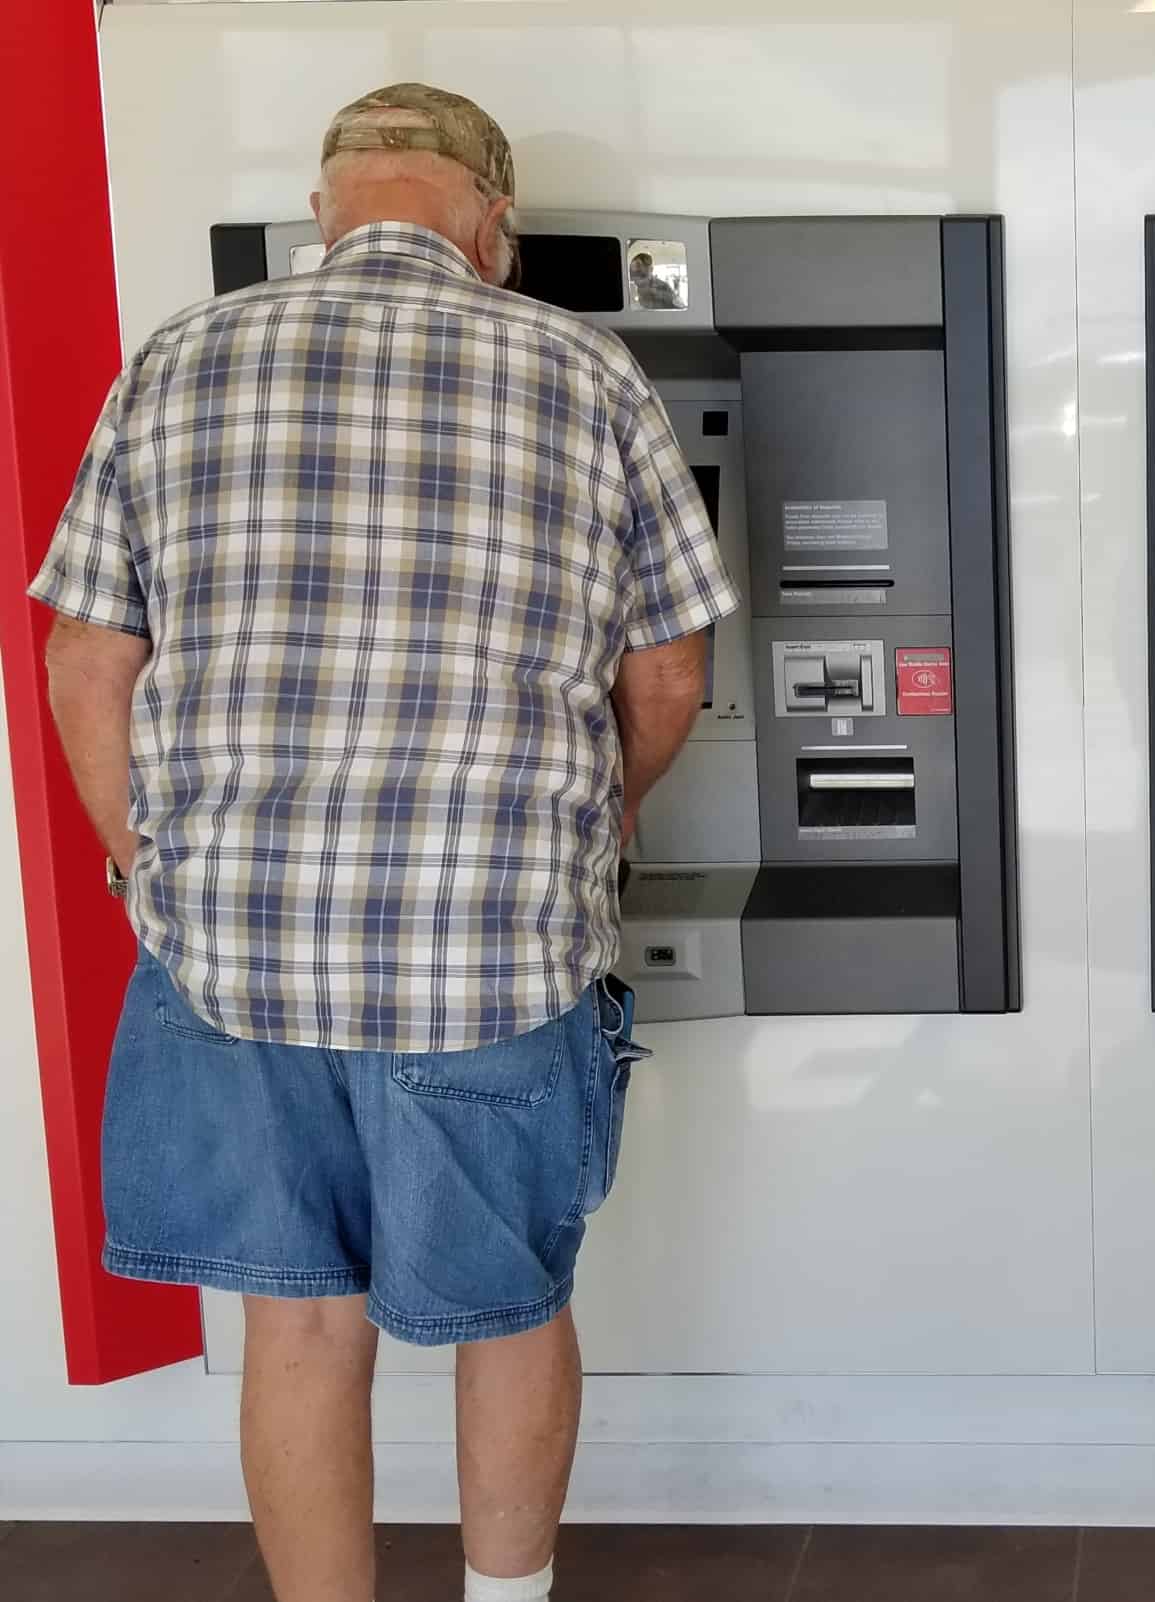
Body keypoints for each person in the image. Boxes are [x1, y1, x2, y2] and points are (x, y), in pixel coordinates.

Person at [32, 83, 736, 1602]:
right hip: (486, 945)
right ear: (495, 224)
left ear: (324, 212)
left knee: (297, 1321)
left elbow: (85, 653)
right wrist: (597, 824)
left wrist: (137, 861)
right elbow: (671, 670)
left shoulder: (179, 357)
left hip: (236, 957)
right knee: (508, 1310)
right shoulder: (584, 369)